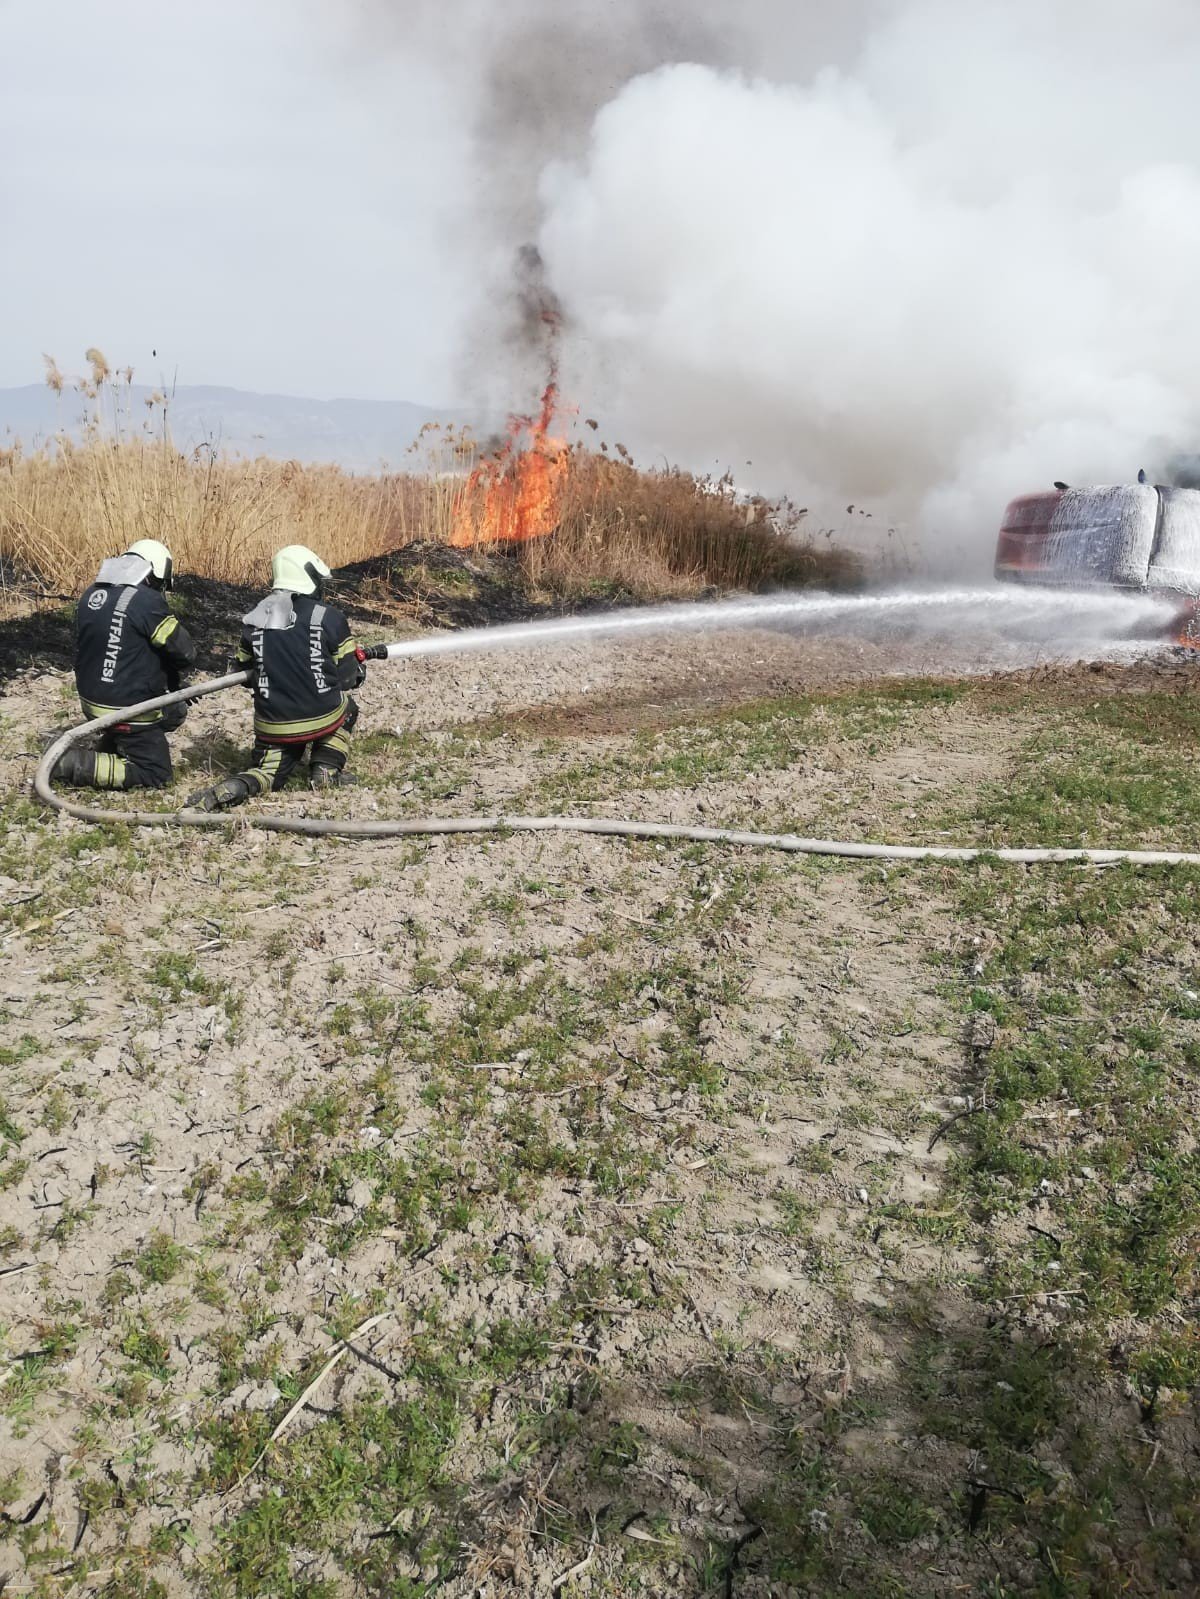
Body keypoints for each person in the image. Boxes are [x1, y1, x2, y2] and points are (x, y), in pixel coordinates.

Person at [188, 544, 367, 810]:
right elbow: (347, 679)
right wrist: (357, 669)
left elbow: (244, 673)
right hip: (323, 716)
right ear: (308, 579)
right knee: (348, 708)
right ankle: (326, 771)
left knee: (267, 773)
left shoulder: (255, 618)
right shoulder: (329, 617)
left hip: (274, 725)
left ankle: (234, 787)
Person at [55, 538, 197, 790]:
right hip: (126, 709)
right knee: (154, 773)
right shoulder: (147, 601)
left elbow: (123, 649)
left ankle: (116, 740)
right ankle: (70, 763)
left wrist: (171, 682)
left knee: (174, 708)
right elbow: (184, 653)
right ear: (154, 574)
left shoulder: (92, 593)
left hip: (91, 704)